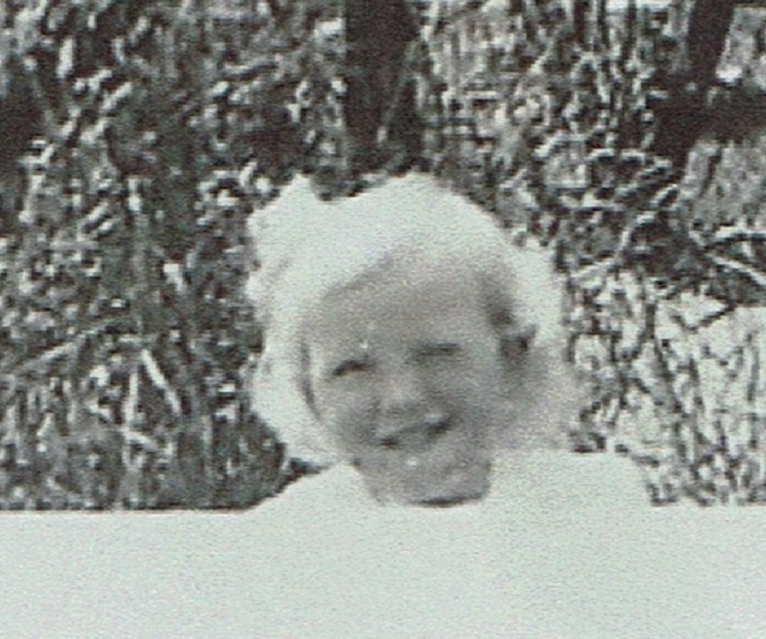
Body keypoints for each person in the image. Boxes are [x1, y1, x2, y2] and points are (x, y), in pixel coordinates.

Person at [243, 172, 651, 516]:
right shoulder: (297, 535)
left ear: (510, 361)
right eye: (352, 369)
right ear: (308, 394)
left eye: (438, 355)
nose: (403, 398)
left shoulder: (587, 507)